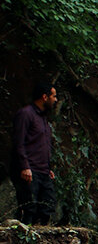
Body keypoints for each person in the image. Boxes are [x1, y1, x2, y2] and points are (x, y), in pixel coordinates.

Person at [10, 80, 57, 224]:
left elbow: (42, 145)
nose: (56, 100)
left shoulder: (43, 118)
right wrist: (24, 166)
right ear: (44, 97)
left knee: (47, 205)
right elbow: (19, 142)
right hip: (29, 171)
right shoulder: (26, 114)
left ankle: (41, 239)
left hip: (43, 171)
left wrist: (48, 168)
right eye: (53, 96)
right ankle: (23, 241)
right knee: (29, 208)